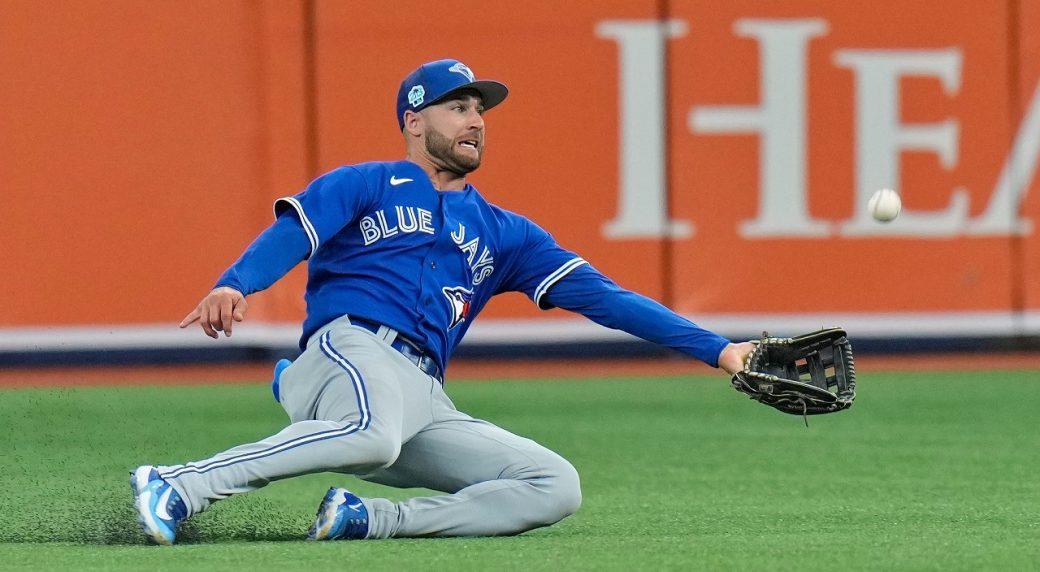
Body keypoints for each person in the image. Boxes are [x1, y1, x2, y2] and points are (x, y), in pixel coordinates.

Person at [130, 58, 755, 545]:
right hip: (347, 348)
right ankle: (179, 485)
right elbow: (297, 232)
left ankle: (369, 520)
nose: (475, 120)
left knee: (553, 485)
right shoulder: (367, 183)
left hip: (421, 395)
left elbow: (609, 300)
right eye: (457, 107)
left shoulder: (505, 232)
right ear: (414, 121)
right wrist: (238, 283)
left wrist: (720, 350)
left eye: (479, 111)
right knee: (372, 436)